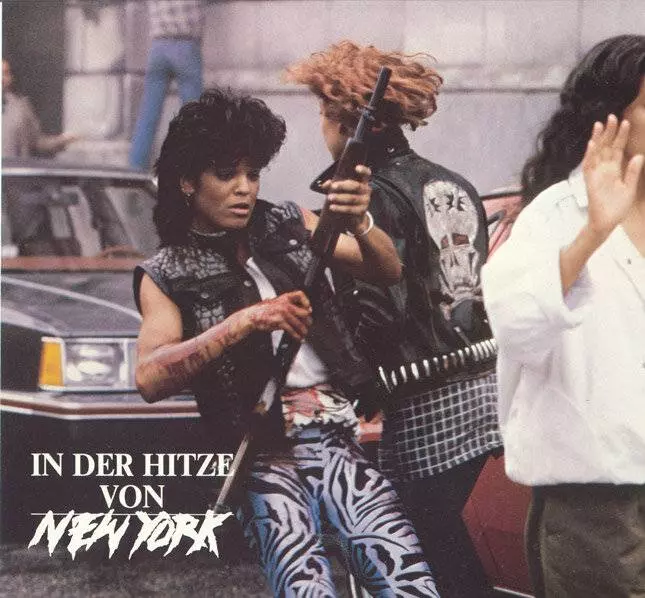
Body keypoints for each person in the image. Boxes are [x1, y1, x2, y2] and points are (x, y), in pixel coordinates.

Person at [133, 87, 439, 597]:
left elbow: (386, 269)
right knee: (305, 589)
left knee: (406, 579)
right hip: (261, 451)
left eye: (252, 174)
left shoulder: (289, 221)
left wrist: (361, 222)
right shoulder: (166, 272)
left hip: (335, 434)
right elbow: (149, 377)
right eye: (226, 174)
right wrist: (244, 322)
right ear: (188, 181)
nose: (244, 188)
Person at [286, 41, 502, 598]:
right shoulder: (454, 182)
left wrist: (356, 373)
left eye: (323, 111)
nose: (320, 124)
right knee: (454, 548)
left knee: (425, 556)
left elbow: (380, 302)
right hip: (485, 387)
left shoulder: (369, 196)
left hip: (425, 398)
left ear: (345, 120)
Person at [482, 35, 645, 598]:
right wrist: (594, 232)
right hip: (597, 502)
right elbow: (515, 326)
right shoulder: (553, 213)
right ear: (608, 118)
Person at [129, 0, 204, 170]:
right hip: (186, 44)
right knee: (194, 115)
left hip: (158, 47)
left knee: (148, 114)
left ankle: (135, 168)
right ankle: (195, 168)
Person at [2, 58, 79, 158]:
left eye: (5, 73)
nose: (2, 78)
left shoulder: (21, 106)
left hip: (13, 167)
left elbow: (37, 141)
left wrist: (62, 140)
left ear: (10, 77)